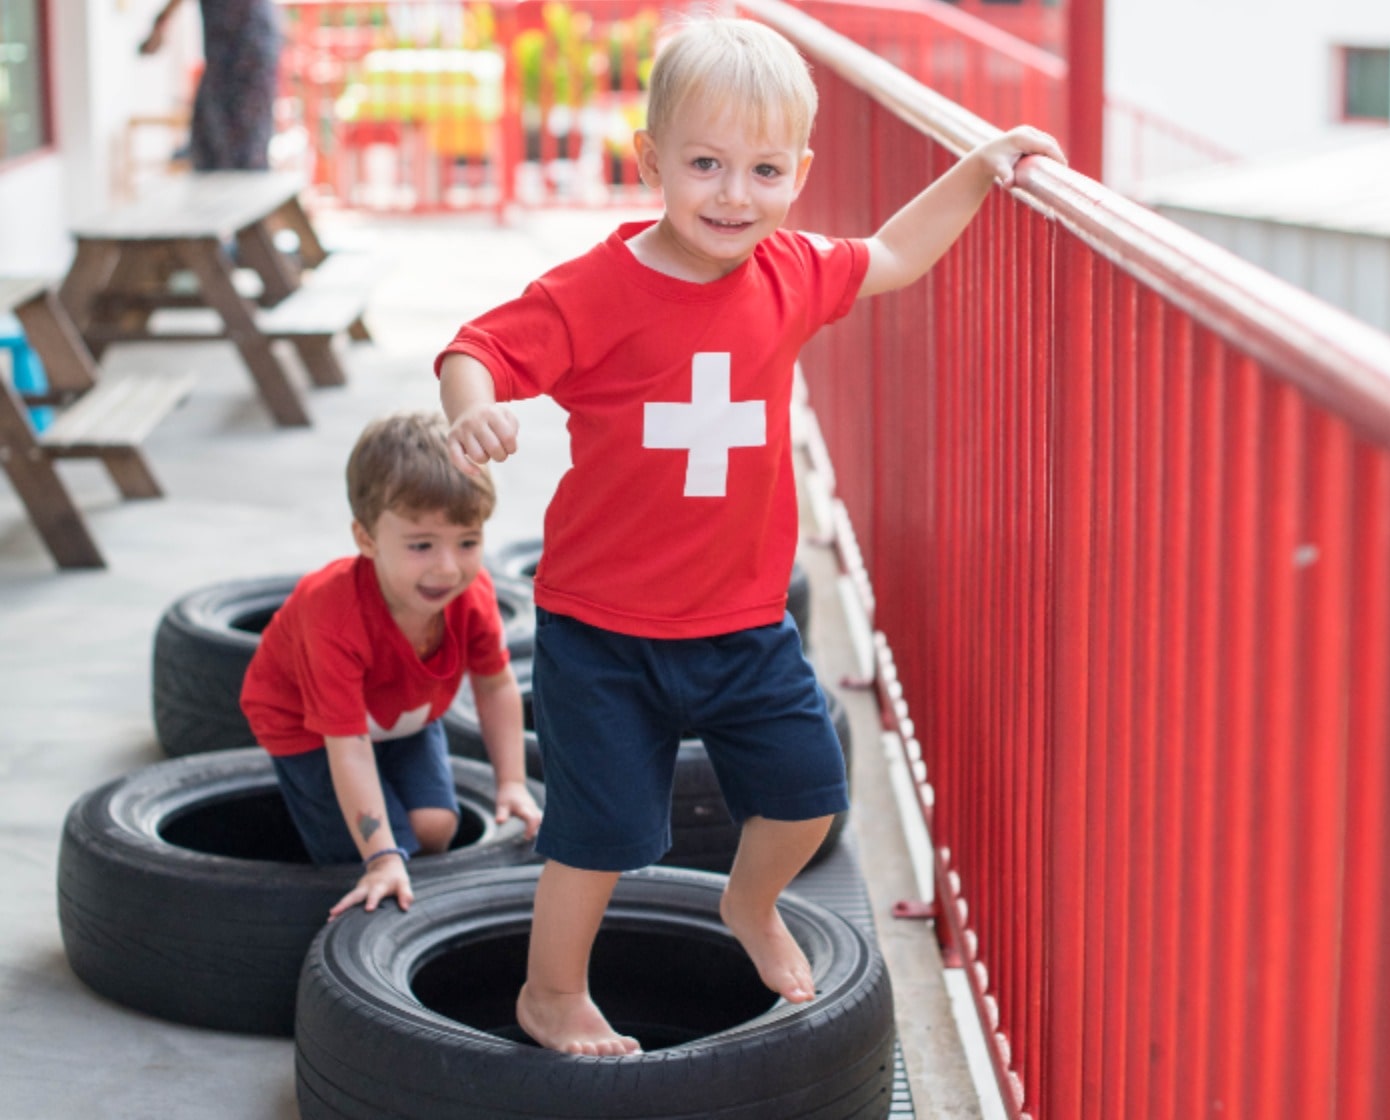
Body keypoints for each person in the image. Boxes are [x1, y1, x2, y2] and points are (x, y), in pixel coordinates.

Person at [436, 16, 1065, 1056]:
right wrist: (472, 412)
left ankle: (749, 901)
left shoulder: (791, 272)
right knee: (596, 836)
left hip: (741, 621)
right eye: (705, 165)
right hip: (603, 628)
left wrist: (983, 166)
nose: (734, 194)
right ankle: (551, 990)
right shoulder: (595, 293)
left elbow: (898, 253)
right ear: (651, 163)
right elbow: (478, 348)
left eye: (764, 170)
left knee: (810, 791)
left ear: (799, 174)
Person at [239, 411, 542, 917]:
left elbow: (494, 685)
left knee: (434, 827)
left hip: (404, 712)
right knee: (366, 853)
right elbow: (348, 747)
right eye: (421, 545)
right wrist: (380, 857)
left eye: (467, 541)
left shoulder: (474, 596)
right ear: (367, 539)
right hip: (308, 728)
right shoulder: (332, 617)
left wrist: (510, 781)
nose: (448, 567)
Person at [139, 0, 281, 171]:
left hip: (250, 46)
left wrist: (160, 23)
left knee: (245, 146)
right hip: (225, 52)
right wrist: (161, 23)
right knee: (209, 139)